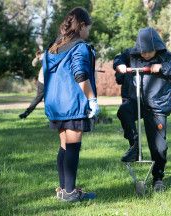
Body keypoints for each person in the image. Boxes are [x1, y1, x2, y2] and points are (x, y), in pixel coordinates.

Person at [114, 27, 171, 192]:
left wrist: (162, 67)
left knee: (159, 147)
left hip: (156, 107)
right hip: (135, 101)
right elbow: (118, 59)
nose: (146, 55)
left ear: (157, 47)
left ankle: (158, 178)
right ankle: (134, 146)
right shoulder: (131, 55)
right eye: (143, 51)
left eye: (149, 51)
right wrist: (120, 66)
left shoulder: (166, 57)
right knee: (123, 111)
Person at [43, 7, 100, 202]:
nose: (88, 33)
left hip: (55, 104)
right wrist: (92, 99)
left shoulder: (54, 47)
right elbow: (80, 75)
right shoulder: (80, 46)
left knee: (64, 146)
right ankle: (70, 193)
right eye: (88, 28)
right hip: (72, 103)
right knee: (73, 147)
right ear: (82, 26)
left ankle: (64, 189)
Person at [19, 50, 44, 119]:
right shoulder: (45, 54)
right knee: (38, 98)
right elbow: (33, 64)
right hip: (43, 81)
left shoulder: (59, 54)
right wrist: (37, 58)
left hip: (52, 81)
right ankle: (26, 113)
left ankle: (54, 118)